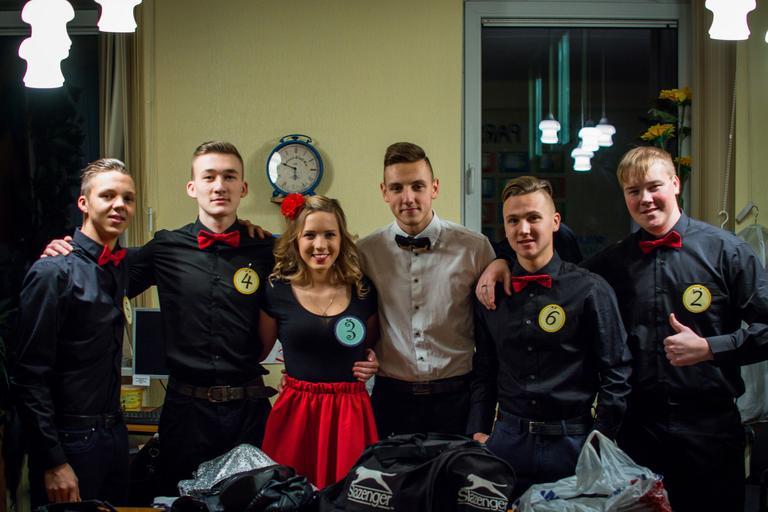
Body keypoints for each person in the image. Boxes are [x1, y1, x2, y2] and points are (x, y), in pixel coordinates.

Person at [41, 141, 378, 495]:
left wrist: (364, 354)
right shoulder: (165, 248)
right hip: (185, 413)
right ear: (192, 187)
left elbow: (318, 286)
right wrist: (69, 252)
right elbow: (104, 274)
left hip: (249, 412)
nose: (220, 186)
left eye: (229, 177)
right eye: (209, 177)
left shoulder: (268, 250)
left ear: (242, 188)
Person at [581, 146, 768, 512]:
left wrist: (711, 347)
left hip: (710, 431)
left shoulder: (726, 252)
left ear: (675, 184)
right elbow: (559, 283)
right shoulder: (610, 265)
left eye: (654, 186)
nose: (645, 199)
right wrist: (500, 266)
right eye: (633, 191)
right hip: (637, 434)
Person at [468, 176, 631, 498]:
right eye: (513, 220)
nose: (523, 229)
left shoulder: (590, 290)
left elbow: (617, 371)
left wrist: (600, 438)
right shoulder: (490, 294)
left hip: (575, 443)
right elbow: (484, 370)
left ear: (555, 222)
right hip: (506, 443)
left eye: (533, 218)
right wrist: (478, 431)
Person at [14, 159, 136, 506]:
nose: (119, 205)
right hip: (70, 440)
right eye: (108, 195)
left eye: (127, 198)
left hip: (114, 435)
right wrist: (53, 461)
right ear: (84, 203)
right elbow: (29, 376)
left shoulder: (120, 266)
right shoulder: (53, 272)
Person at [357, 142, 496, 437]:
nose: (408, 198)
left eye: (417, 186)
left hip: (458, 399)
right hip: (390, 400)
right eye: (397, 188)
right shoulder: (364, 253)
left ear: (434, 188)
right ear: (384, 192)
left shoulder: (475, 248)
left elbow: (493, 332)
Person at [259, 194, 379, 488]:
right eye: (310, 235)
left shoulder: (363, 289)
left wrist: (373, 361)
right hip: (297, 412)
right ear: (296, 240)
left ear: (342, 239)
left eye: (330, 234)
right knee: (289, 496)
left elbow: (372, 347)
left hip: (350, 413)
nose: (320, 245)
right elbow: (258, 351)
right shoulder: (276, 289)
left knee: (347, 496)